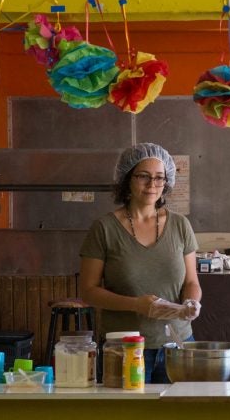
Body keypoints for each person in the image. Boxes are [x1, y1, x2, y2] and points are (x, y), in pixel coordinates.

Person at [79, 142, 202, 383]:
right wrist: (136, 305)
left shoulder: (180, 225)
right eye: (143, 176)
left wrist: (191, 302)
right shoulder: (104, 228)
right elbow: (88, 291)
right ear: (127, 179)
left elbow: (191, 281)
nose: (152, 185)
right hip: (124, 348)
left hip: (176, 345)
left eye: (159, 178)